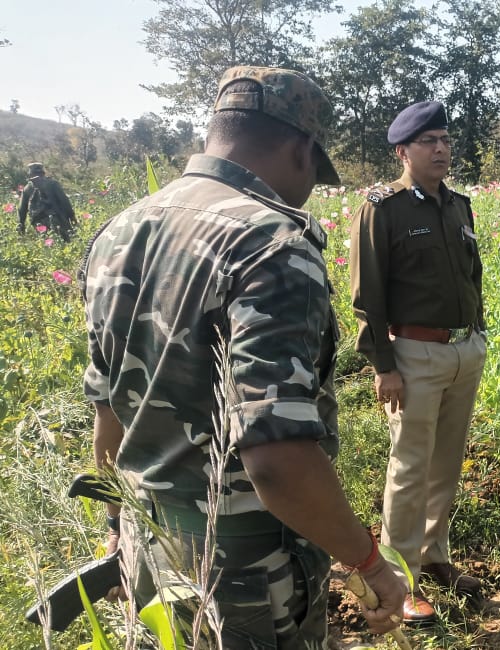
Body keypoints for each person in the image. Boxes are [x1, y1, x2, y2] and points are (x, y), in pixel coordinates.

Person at [80, 65, 405, 648]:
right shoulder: (271, 244)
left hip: (148, 547)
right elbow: (276, 460)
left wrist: (115, 530)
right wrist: (369, 564)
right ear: (303, 148)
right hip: (244, 578)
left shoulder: (119, 232)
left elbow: (108, 412)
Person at [349, 100, 487, 623]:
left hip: (462, 350)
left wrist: (477, 334)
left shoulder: (459, 205)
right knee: (409, 468)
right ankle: (400, 578)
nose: (441, 149)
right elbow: (368, 297)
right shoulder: (383, 209)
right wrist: (383, 365)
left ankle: (435, 556)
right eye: (429, 141)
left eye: (446, 140)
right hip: (413, 356)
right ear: (403, 151)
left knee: (445, 463)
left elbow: (471, 278)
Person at [18, 162, 76, 241]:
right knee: (66, 242)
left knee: (47, 244)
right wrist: (71, 216)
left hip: (38, 224)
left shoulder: (27, 188)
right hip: (57, 220)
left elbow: (22, 209)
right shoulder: (53, 184)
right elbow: (64, 201)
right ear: (43, 172)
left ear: (30, 174)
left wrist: (21, 224)